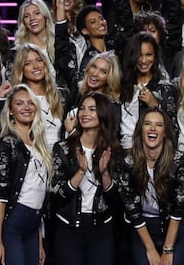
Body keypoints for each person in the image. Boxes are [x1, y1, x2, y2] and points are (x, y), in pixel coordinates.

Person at [51, 92, 121, 265]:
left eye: (92, 109)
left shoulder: (114, 151)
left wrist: (104, 174)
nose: (84, 113)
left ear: (103, 114)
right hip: (68, 228)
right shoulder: (63, 149)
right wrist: (80, 172)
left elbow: (118, 202)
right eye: (82, 109)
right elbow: (56, 197)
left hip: (101, 230)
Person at [116, 107, 184, 265]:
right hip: (143, 228)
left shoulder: (179, 162)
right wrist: (150, 249)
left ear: (165, 132)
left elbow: (179, 208)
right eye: (148, 124)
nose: (152, 128)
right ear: (140, 130)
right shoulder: (127, 163)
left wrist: (167, 249)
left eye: (158, 125)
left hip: (173, 227)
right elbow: (132, 209)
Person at [0, 84, 52, 265]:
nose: (26, 107)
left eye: (30, 103)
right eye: (19, 103)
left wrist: (39, 240)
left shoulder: (40, 145)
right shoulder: (6, 144)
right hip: (14, 222)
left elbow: (39, 193)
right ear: (10, 111)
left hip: (34, 224)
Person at [120, 32, 178, 150]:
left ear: (155, 56)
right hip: (121, 153)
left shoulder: (164, 89)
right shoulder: (121, 86)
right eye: (139, 55)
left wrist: (154, 105)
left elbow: (173, 129)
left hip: (147, 152)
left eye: (149, 54)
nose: (144, 60)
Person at [8, 44, 65, 150]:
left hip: (59, 159)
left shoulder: (60, 96)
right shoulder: (18, 100)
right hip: (33, 159)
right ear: (21, 69)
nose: (35, 66)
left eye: (39, 60)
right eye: (28, 63)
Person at [14, 0, 57, 84]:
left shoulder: (60, 46)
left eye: (37, 13)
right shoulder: (17, 52)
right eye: (26, 16)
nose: (32, 18)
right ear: (23, 22)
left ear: (45, 16)